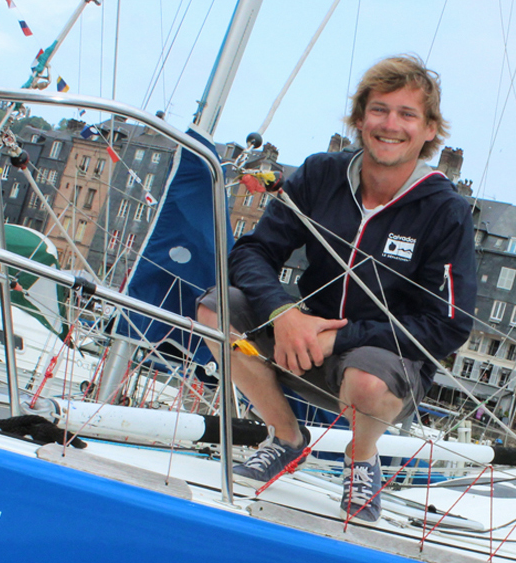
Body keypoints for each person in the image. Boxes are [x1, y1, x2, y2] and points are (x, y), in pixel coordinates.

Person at [197, 55, 477, 522]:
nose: (391, 125)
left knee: (367, 377)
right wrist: (282, 313)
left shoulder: (445, 212)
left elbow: (448, 324)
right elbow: (250, 253)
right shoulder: (321, 175)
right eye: (379, 110)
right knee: (215, 307)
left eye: (408, 115)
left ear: (430, 130)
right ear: (359, 119)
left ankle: (361, 460)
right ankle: (286, 437)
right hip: (296, 343)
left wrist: (339, 337)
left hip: (380, 370)